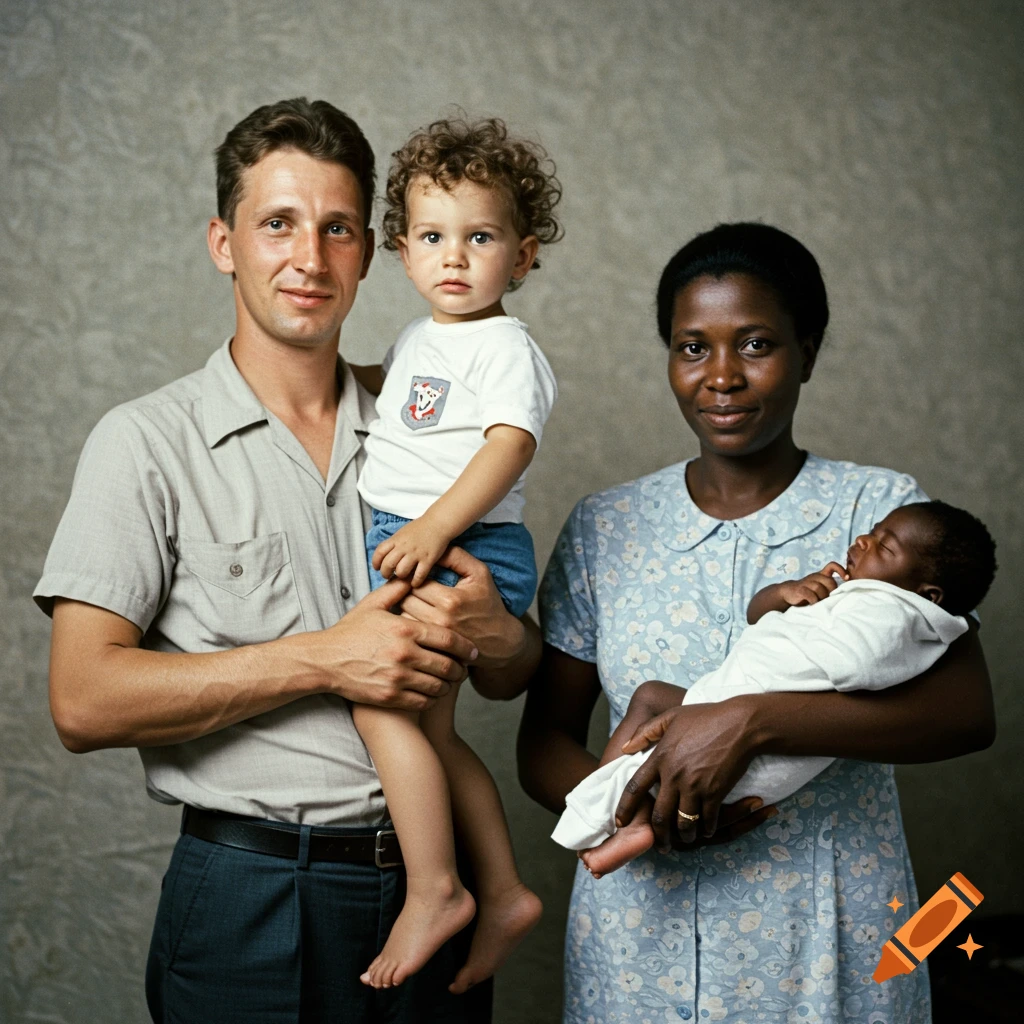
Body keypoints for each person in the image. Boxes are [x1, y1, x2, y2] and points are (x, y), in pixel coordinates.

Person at [34, 97, 541, 1024]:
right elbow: (81, 700)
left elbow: (511, 678)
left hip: (439, 884)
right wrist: (322, 658)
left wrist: (499, 632)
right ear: (225, 243)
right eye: (278, 224)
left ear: (370, 251)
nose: (309, 258)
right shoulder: (146, 442)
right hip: (255, 895)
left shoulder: (428, 418)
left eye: (337, 228)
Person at [517, 222, 996, 1024]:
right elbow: (541, 746)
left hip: (824, 940)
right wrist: (643, 806)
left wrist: (749, 721)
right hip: (638, 950)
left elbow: (966, 713)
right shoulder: (605, 527)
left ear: (808, 352)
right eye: (692, 347)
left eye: (757, 344)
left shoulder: (882, 513)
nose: (723, 377)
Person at [351, 116, 560, 991]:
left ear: (523, 255)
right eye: (434, 237)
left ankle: (437, 888)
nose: (455, 257)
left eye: (480, 238)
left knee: (382, 709)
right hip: (412, 540)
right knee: (429, 735)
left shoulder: (508, 348)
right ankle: (504, 889)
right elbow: (393, 399)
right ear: (402, 250)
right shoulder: (418, 339)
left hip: (459, 544)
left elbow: (508, 447)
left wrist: (436, 528)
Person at [551, 500, 996, 877]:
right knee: (650, 695)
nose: (864, 542)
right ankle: (617, 807)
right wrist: (788, 594)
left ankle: (621, 816)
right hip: (721, 700)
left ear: (928, 593)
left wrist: (752, 714)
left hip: (766, 744)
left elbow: (859, 666)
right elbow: (756, 615)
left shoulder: (895, 615)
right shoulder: (599, 518)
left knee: (653, 721)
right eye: (872, 532)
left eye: (884, 545)